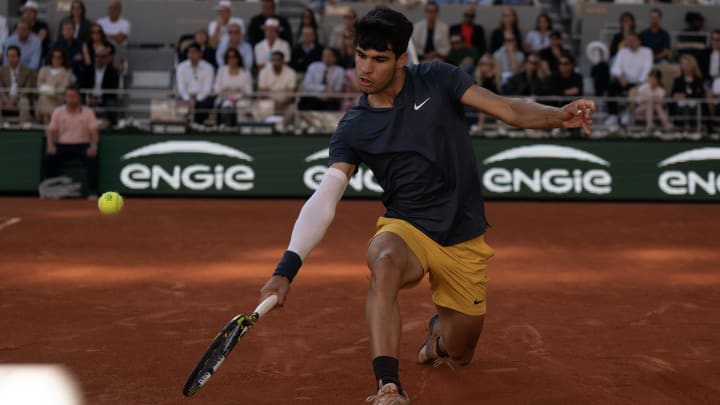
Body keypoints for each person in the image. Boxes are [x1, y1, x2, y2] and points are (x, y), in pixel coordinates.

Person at [257, 8, 595, 405]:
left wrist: (559, 116)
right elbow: (324, 198)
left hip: (463, 237)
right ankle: (387, 385)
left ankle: (438, 338)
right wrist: (286, 268)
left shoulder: (439, 79)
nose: (366, 68)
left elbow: (508, 110)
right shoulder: (354, 126)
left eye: (379, 59)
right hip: (408, 230)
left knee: (461, 353)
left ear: (402, 58)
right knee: (382, 263)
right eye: (362, 55)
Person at [44, 85, 100, 198]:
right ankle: (51, 190)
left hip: (82, 145)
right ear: (65, 97)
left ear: (78, 97)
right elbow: (51, 131)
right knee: (49, 157)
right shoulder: (58, 111)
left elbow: (94, 132)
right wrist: (50, 145)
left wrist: (93, 146)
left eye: (73, 96)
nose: (70, 99)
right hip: (63, 144)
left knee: (93, 158)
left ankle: (92, 191)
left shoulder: (88, 112)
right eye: (68, 96)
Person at [606, 32, 653, 130]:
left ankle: (627, 114)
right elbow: (615, 68)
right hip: (624, 81)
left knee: (640, 90)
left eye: (633, 40)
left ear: (639, 41)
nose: (630, 43)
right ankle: (613, 115)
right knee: (611, 87)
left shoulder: (647, 52)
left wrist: (640, 82)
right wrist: (620, 76)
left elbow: (647, 69)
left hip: (640, 82)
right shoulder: (622, 52)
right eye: (628, 41)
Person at [79, 46, 120, 126]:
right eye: (97, 56)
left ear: (108, 58)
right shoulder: (87, 69)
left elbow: (113, 90)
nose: (99, 59)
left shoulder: (113, 72)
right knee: (80, 101)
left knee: (111, 104)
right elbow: (82, 85)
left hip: (105, 98)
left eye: (103, 56)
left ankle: (112, 127)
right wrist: (89, 98)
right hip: (89, 97)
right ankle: (79, 125)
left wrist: (100, 100)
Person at [176, 43, 215, 125]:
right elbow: (181, 88)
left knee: (203, 106)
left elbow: (207, 89)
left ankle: (197, 127)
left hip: (203, 97)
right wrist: (188, 99)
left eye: (194, 52)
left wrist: (196, 100)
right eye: (190, 52)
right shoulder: (181, 67)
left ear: (200, 54)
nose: (191, 55)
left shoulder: (208, 68)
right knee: (180, 104)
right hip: (185, 97)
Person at [213, 47, 253, 125]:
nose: (231, 59)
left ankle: (241, 128)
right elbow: (216, 88)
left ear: (238, 58)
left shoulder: (245, 72)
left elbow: (249, 91)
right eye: (229, 57)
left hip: (241, 99)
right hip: (225, 98)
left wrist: (239, 90)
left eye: (234, 57)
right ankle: (227, 128)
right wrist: (226, 90)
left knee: (242, 105)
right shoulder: (222, 70)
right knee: (226, 106)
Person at [36, 48, 72, 124]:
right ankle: (48, 125)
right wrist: (54, 86)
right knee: (44, 97)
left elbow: (64, 87)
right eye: (54, 57)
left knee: (44, 98)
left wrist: (48, 86)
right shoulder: (44, 70)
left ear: (63, 59)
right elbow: (39, 85)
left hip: (59, 97)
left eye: (59, 57)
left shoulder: (66, 71)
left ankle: (49, 127)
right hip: (45, 95)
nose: (56, 59)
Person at [671, 54, 706, 133]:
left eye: (687, 64)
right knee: (683, 105)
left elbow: (701, 94)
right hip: (680, 106)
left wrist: (686, 96)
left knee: (690, 104)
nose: (685, 67)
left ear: (693, 65)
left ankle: (692, 126)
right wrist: (676, 95)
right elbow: (672, 93)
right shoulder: (678, 80)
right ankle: (686, 126)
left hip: (695, 106)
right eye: (683, 64)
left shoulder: (698, 80)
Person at [0, 45, 34, 126]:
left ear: (19, 57)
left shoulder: (27, 71)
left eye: (13, 56)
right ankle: (1, 125)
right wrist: (6, 99)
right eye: (9, 56)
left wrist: (16, 99)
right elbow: (0, 88)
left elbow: (27, 88)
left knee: (25, 102)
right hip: (6, 98)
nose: (11, 59)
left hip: (20, 97)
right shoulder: (1, 71)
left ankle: (22, 126)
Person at [96, 1, 131, 70]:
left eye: (115, 8)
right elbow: (96, 36)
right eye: (110, 8)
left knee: (115, 48)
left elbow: (120, 39)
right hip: (101, 49)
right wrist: (114, 36)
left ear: (120, 11)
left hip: (116, 50)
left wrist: (104, 35)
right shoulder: (100, 22)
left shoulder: (125, 23)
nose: (112, 11)